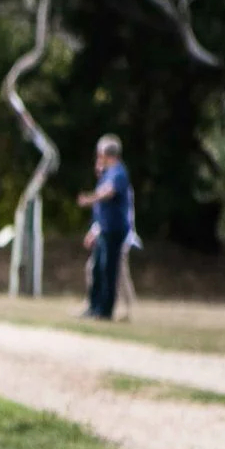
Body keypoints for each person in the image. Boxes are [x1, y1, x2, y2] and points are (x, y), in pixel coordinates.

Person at [76, 134, 133, 321]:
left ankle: (105, 311)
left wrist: (89, 199)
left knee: (108, 270)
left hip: (114, 230)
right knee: (97, 269)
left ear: (105, 153)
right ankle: (94, 307)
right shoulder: (107, 173)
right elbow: (102, 209)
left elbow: (108, 193)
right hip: (103, 229)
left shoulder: (118, 172)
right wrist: (94, 229)